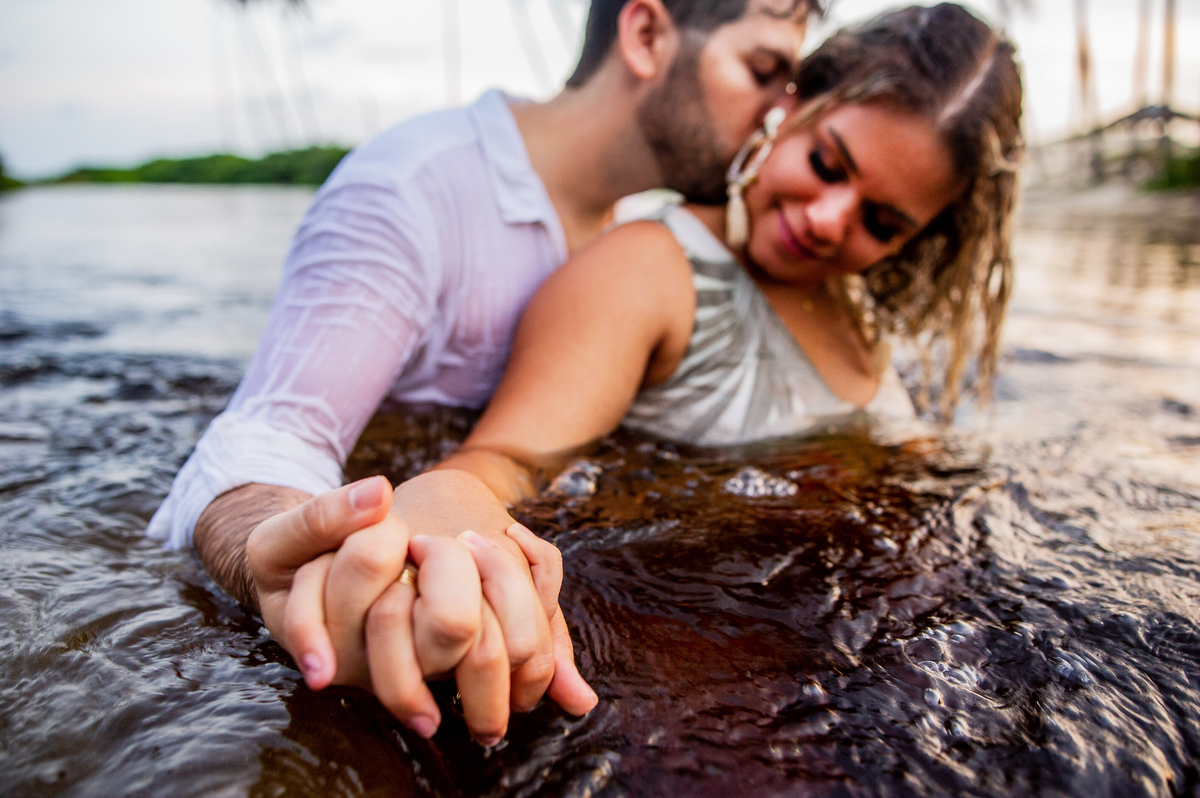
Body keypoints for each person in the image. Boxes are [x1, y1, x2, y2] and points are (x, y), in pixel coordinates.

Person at [148, 0, 819, 745]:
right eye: (765, 73)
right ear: (646, 34)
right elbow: (266, 432)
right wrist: (286, 563)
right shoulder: (414, 190)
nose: (779, 117)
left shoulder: (640, 233)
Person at [389, 1, 1023, 565]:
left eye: (881, 223)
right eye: (826, 163)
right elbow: (501, 463)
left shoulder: (852, 307)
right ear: (790, 106)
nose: (829, 221)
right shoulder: (649, 269)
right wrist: (442, 543)